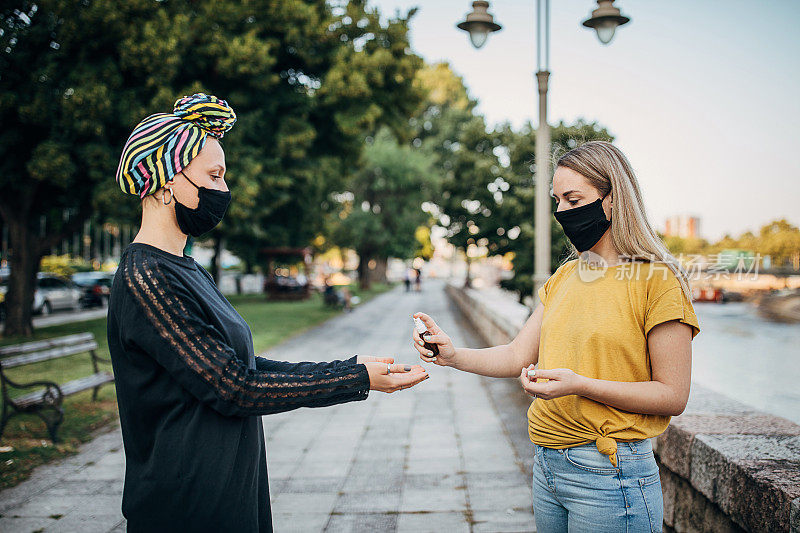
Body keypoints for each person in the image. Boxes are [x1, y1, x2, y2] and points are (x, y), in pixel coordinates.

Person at [109, 93, 428, 533]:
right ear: (166, 182)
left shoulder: (185, 268)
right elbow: (234, 387)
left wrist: (351, 368)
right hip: (186, 503)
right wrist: (354, 381)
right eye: (213, 175)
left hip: (230, 491)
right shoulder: (147, 278)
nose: (223, 189)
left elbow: (243, 367)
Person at [412, 140, 699, 533]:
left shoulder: (658, 281)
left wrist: (579, 385)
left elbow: (673, 395)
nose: (561, 211)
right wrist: (452, 355)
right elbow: (517, 355)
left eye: (572, 198)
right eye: (557, 199)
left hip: (609, 476)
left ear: (611, 199)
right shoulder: (564, 277)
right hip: (547, 465)